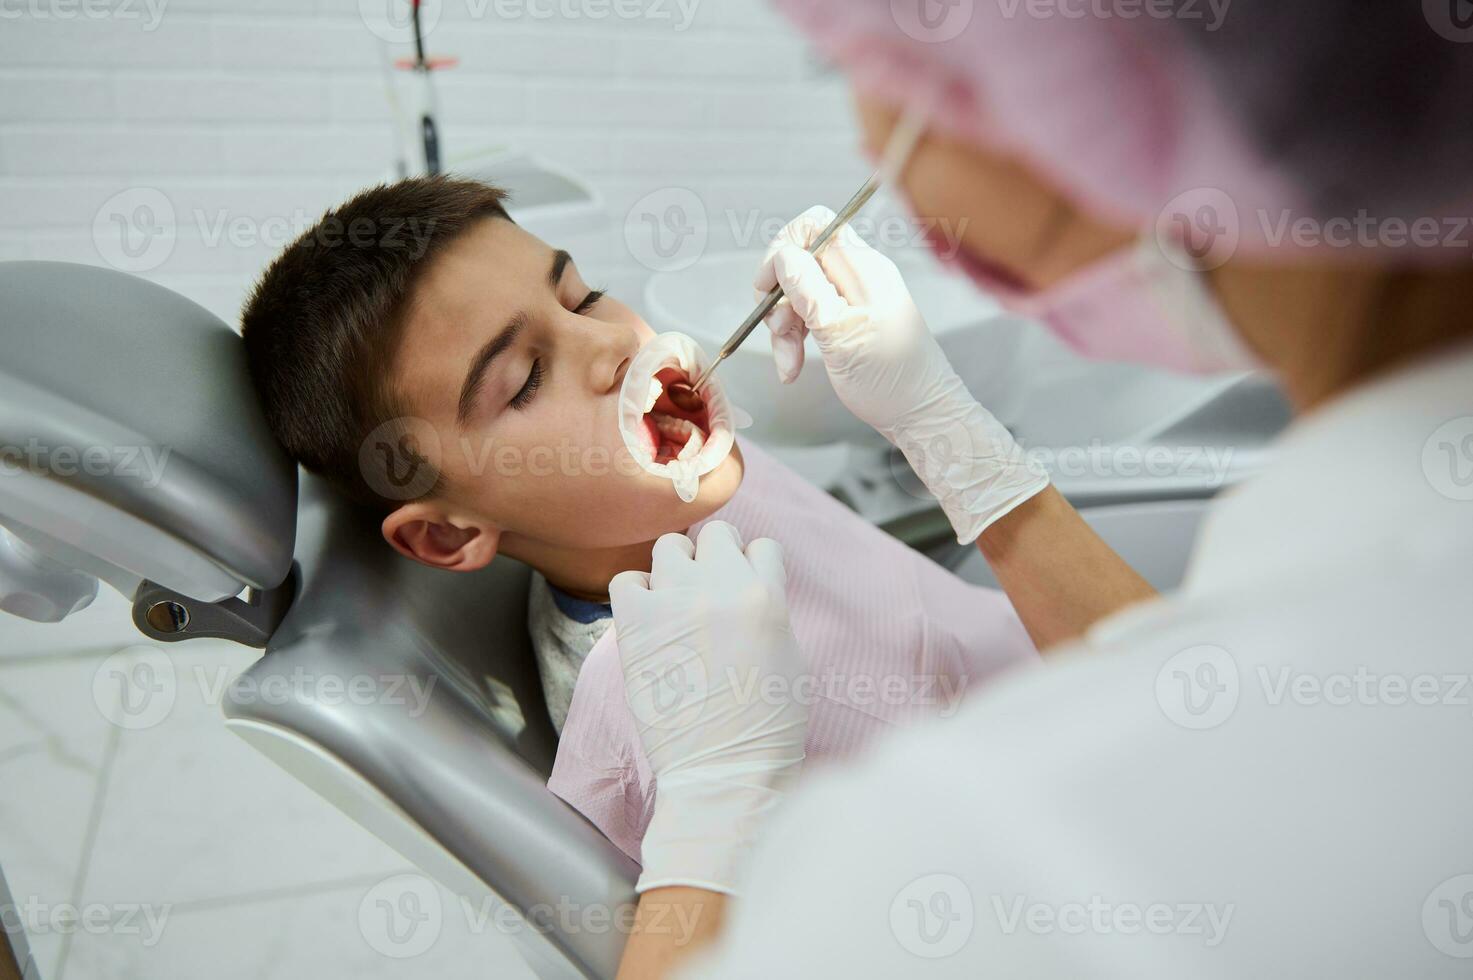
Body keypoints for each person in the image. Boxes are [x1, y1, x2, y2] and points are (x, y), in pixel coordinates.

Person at [610, 3, 1473, 977]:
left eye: (878, 69)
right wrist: (946, 428)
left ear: (1096, 82)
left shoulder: (978, 856)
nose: (870, 140)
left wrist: (709, 812)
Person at [238, 175, 1039, 792]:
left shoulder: (687, 471)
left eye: (580, 296)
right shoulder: (655, 733)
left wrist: (941, 426)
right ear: (449, 532)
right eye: (522, 380)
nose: (612, 342)